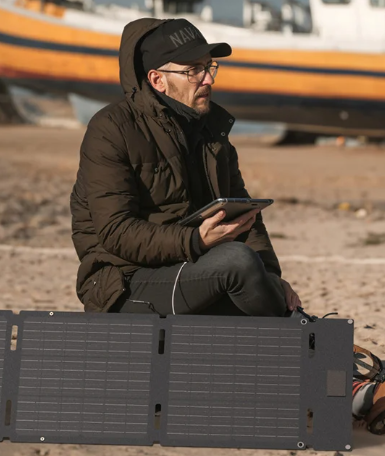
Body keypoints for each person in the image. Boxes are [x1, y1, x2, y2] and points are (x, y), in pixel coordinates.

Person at [69, 17, 385, 435]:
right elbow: (115, 233)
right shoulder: (111, 130)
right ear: (157, 80)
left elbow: (246, 217)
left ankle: (344, 386)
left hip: (194, 274)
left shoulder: (213, 132)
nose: (207, 79)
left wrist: (271, 277)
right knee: (236, 261)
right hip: (123, 284)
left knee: (249, 276)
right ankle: (345, 381)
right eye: (194, 70)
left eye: (209, 67)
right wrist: (195, 240)